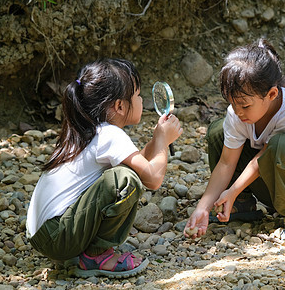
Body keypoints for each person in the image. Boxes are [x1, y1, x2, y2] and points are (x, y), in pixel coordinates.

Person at [26, 58, 183, 278]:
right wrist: (162, 142)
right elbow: (153, 179)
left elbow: (139, 162)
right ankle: (97, 257)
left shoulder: (87, 130)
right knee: (124, 180)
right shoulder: (110, 135)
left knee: (125, 173)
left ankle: (82, 251)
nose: (141, 100)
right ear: (119, 105)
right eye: (137, 95)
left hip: (44, 235)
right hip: (57, 237)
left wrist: (158, 140)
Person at [184, 39, 285, 241]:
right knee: (218, 131)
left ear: (271, 94)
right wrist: (203, 208)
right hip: (271, 183)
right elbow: (227, 162)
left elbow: (264, 159)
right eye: (233, 103)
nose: (237, 111)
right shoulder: (237, 113)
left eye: (244, 105)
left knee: (280, 144)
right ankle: (240, 204)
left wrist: (231, 190)